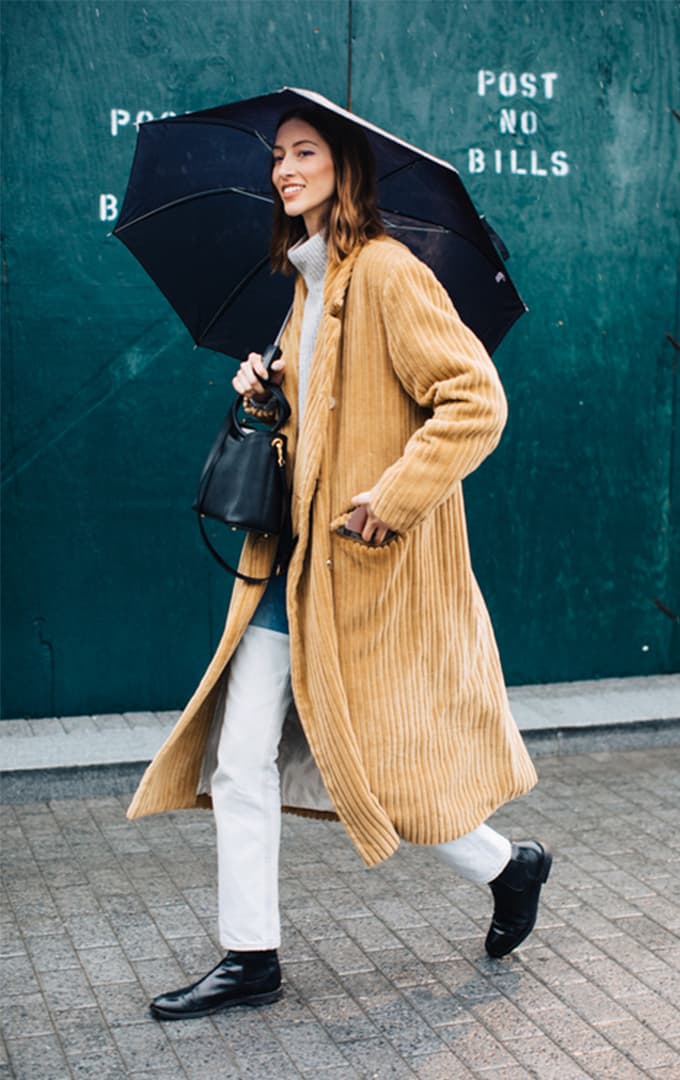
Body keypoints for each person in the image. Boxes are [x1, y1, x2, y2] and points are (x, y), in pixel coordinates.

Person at [128, 104, 550, 1021]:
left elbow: (476, 402)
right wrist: (266, 389)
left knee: (392, 775)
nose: (285, 170)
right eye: (279, 157)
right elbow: (317, 425)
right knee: (240, 759)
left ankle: (510, 865)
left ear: (343, 167)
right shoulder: (306, 286)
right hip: (288, 569)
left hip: (363, 571)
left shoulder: (392, 275)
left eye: (304, 153)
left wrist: (391, 500)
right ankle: (250, 959)